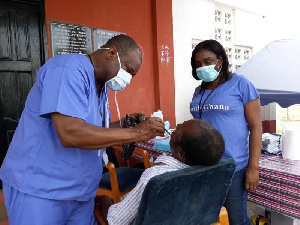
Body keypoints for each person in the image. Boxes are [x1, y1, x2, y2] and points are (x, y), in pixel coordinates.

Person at [0, 34, 165, 225]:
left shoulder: (101, 86)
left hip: (80, 191)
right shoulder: (67, 69)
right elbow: (70, 133)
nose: (127, 79)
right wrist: (138, 133)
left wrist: (126, 125)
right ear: (111, 53)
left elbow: (95, 130)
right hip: (41, 190)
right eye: (128, 70)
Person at [96, 119, 225, 225]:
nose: (177, 126)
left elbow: (116, 221)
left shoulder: (155, 177)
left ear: (181, 153)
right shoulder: (211, 173)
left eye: (178, 129)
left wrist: (104, 200)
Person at [190, 39, 262, 225]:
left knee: (236, 219)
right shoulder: (199, 91)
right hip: (204, 166)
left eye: (207, 61)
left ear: (220, 60)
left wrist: (253, 168)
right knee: (211, 218)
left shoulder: (241, 85)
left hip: (233, 167)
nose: (202, 67)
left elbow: (256, 127)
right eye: (198, 64)